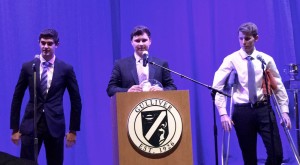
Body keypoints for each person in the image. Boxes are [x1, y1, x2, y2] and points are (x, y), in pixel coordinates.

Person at [212, 22, 291, 165]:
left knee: (277, 154)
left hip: (264, 109)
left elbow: (278, 86)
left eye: (247, 38)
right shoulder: (231, 60)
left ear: (256, 38)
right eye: (241, 38)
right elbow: (217, 87)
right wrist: (223, 113)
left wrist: (284, 111)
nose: (243, 42)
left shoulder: (265, 59)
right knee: (249, 158)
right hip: (242, 112)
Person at [10, 29, 82, 165]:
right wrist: (14, 128)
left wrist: (73, 130)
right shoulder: (28, 67)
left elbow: (76, 100)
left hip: (55, 125)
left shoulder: (66, 69)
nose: (45, 47)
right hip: (31, 124)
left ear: (57, 45)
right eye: (43, 43)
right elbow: (17, 97)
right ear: (39, 43)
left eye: (49, 43)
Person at [106, 25, 177, 97]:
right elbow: (110, 89)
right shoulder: (120, 65)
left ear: (150, 41)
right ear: (132, 42)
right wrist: (127, 91)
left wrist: (162, 90)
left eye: (144, 40)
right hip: (130, 106)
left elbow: (172, 87)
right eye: (137, 41)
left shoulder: (161, 64)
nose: (141, 44)